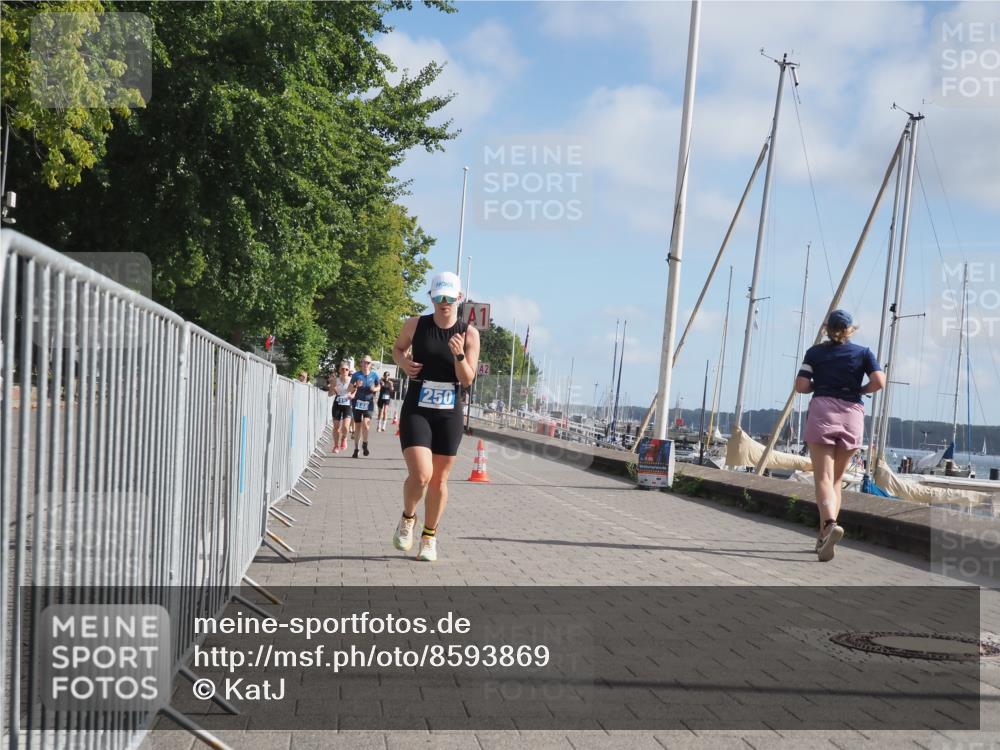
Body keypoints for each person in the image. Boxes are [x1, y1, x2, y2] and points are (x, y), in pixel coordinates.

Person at [391, 271, 480, 562]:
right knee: (421, 474)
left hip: (449, 409)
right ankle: (408, 518)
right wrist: (404, 362)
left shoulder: (468, 333)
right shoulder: (416, 324)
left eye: (449, 297)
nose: (443, 303)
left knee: (439, 480)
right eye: (438, 297)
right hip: (418, 404)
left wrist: (459, 357)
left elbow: (467, 379)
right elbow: (398, 349)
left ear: (459, 298)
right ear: (431, 297)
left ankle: (429, 537)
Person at [796, 309, 885, 562]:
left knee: (822, 478)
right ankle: (824, 535)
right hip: (852, 413)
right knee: (836, 480)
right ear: (850, 330)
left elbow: (801, 386)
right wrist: (860, 389)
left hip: (823, 409)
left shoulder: (815, 353)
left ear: (826, 327)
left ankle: (829, 526)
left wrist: (819, 385)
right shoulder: (864, 353)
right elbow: (879, 381)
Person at [350, 356, 380, 458]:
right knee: (358, 426)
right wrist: (356, 386)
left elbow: (379, 386)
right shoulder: (356, 375)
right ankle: (356, 449)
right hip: (357, 403)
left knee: (366, 424)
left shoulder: (374, 375)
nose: (366, 364)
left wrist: (374, 389)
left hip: (368, 403)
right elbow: (349, 388)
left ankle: (365, 444)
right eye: (365, 362)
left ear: (370, 364)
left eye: (368, 363)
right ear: (361, 363)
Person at [328, 361, 356, 453]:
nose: (344, 371)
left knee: (346, 427)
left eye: (346, 369)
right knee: (336, 427)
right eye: (342, 369)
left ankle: (344, 439)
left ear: (349, 371)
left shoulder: (352, 380)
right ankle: (336, 445)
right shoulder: (335, 380)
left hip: (347, 405)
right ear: (340, 370)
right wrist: (332, 388)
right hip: (337, 404)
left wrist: (352, 395)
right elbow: (330, 394)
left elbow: (355, 391)